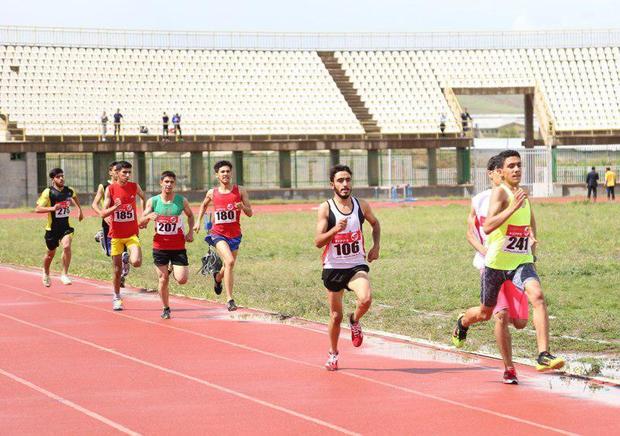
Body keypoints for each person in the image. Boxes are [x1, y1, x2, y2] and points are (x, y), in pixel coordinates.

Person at [453, 150, 565, 372]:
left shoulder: (524, 195)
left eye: (519, 165)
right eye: (511, 166)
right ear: (501, 172)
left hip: (521, 262)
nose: (516, 169)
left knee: (538, 297)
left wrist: (531, 241)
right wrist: (512, 208)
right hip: (495, 265)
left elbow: (531, 224)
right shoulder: (500, 194)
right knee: (487, 313)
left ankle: (543, 354)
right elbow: (487, 226)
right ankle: (463, 322)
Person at [466, 155, 528, 384]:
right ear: (492, 173)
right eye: (498, 170)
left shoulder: (517, 195)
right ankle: (509, 368)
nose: (502, 173)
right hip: (490, 264)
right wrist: (483, 250)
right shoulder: (480, 200)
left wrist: (530, 237)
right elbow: (470, 231)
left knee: (518, 322)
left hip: (513, 263)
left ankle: (464, 319)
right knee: (500, 315)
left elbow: (526, 224)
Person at [315, 164, 381, 371]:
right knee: (335, 316)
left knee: (366, 298)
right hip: (333, 267)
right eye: (340, 181)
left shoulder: (361, 205)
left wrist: (375, 246)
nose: (345, 184)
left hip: (356, 264)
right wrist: (335, 229)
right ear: (332, 184)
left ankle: (355, 320)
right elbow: (318, 241)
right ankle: (333, 354)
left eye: (348, 180)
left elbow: (375, 224)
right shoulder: (326, 208)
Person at [193, 160, 253, 312]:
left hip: (235, 235)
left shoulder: (240, 191)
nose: (225, 174)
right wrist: (198, 222)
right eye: (222, 172)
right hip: (218, 234)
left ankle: (218, 278)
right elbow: (203, 205)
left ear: (231, 173)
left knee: (228, 265)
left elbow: (250, 213)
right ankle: (230, 299)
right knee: (230, 262)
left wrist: (242, 206)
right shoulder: (212, 193)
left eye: (228, 171)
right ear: (217, 175)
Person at [141, 171, 195, 319]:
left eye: (171, 182)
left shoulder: (181, 201)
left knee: (182, 280)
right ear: (161, 183)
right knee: (163, 279)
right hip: (160, 247)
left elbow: (190, 215)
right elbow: (140, 222)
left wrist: (190, 232)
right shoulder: (153, 202)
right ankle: (166, 308)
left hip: (178, 247)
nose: (169, 184)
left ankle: (171, 268)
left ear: (174, 184)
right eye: (166, 182)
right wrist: (147, 218)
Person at [100, 161, 146, 310]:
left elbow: (144, 198)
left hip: (132, 233)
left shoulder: (134, 186)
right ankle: (117, 297)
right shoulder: (110, 189)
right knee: (117, 270)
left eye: (129, 173)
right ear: (117, 173)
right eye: (124, 172)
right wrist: (115, 207)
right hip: (116, 236)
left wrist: (143, 216)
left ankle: (128, 259)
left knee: (137, 262)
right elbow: (103, 212)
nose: (127, 175)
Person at [35, 168, 84, 287]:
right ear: (53, 179)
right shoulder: (48, 192)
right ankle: (46, 272)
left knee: (67, 246)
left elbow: (75, 197)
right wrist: (52, 208)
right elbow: (37, 209)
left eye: (62, 176)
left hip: (65, 227)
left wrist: (79, 210)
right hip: (52, 229)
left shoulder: (69, 190)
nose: (61, 178)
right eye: (58, 177)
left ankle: (64, 274)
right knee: (50, 254)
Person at [91, 161, 131, 287]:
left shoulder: (126, 185)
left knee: (123, 253)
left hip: (123, 222)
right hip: (109, 221)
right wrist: (103, 214)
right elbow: (94, 204)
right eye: (115, 170)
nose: (117, 172)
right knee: (113, 254)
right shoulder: (103, 186)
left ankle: (121, 277)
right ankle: (102, 236)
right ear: (111, 172)